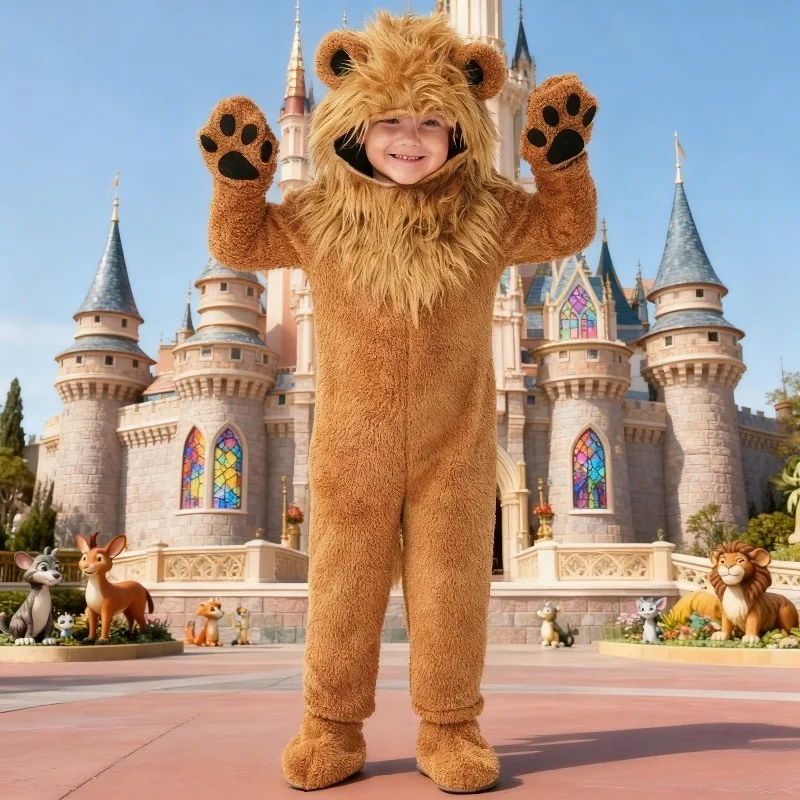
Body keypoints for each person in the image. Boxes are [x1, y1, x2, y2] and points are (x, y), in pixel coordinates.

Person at [198, 10, 597, 793]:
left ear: (466, 120)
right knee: (342, 591)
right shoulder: (321, 213)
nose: (408, 137)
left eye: (431, 120)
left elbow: (565, 226)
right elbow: (240, 247)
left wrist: (561, 165)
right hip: (353, 445)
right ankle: (331, 726)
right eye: (388, 120)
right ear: (352, 120)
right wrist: (238, 183)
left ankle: (450, 727)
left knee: (452, 591)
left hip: (458, 444)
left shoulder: (489, 209)